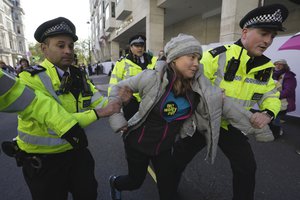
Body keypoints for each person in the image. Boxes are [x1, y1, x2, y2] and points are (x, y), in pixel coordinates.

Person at [108, 34, 274, 200]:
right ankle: (115, 182)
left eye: (198, 59)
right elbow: (117, 89)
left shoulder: (199, 86)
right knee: (135, 182)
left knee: (168, 191)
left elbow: (227, 107)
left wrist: (258, 125)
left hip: (164, 149)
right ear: (174, 58)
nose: (196, 64)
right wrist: (117, 118)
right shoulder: (151, 78)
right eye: (191, 57)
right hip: (138, 144)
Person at [172, 4, 288, 200]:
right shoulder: (215, 56)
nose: (268, 41)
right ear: (245, 32)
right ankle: (167, 192)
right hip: (203, 122)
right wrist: (211, 96)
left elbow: (271, 95)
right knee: (177, 161)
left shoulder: (267, 67)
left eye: (272, 36)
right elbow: (188, 84)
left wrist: (268, 113)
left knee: (247, 168)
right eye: (264, 33)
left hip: (231, 126)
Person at [14, 17, 125, 200]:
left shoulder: (78, 75)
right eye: (60, 45)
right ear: (43, 48)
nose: (68, 51)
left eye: (71, 46)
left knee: (88, 194)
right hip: (43, 161)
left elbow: (97, 101)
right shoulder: (29, 79)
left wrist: (118, 102)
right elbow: (55, 122)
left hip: (76, 151)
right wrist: (98, 113)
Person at [108, 34, 158, 120]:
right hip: (130, 102)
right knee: (131, 129)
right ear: (131, 47)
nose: (140, 48)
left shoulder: (154, 60)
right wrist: (113, 104)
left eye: (142, 46)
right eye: (136, 46)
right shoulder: (122, 63)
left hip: (151, 101)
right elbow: (114, 84)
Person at [270, 59, 297, 138]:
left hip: (283, 101)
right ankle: (274, 130)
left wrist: (276, 96)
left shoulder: (289, 76)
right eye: (276, 64)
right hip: (272, 100)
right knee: (271, 117)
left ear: (285, 66)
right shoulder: (272, 74)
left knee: (276, 118)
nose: (278, 66)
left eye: (280, 64)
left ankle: (276, 133)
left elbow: (289, 91)